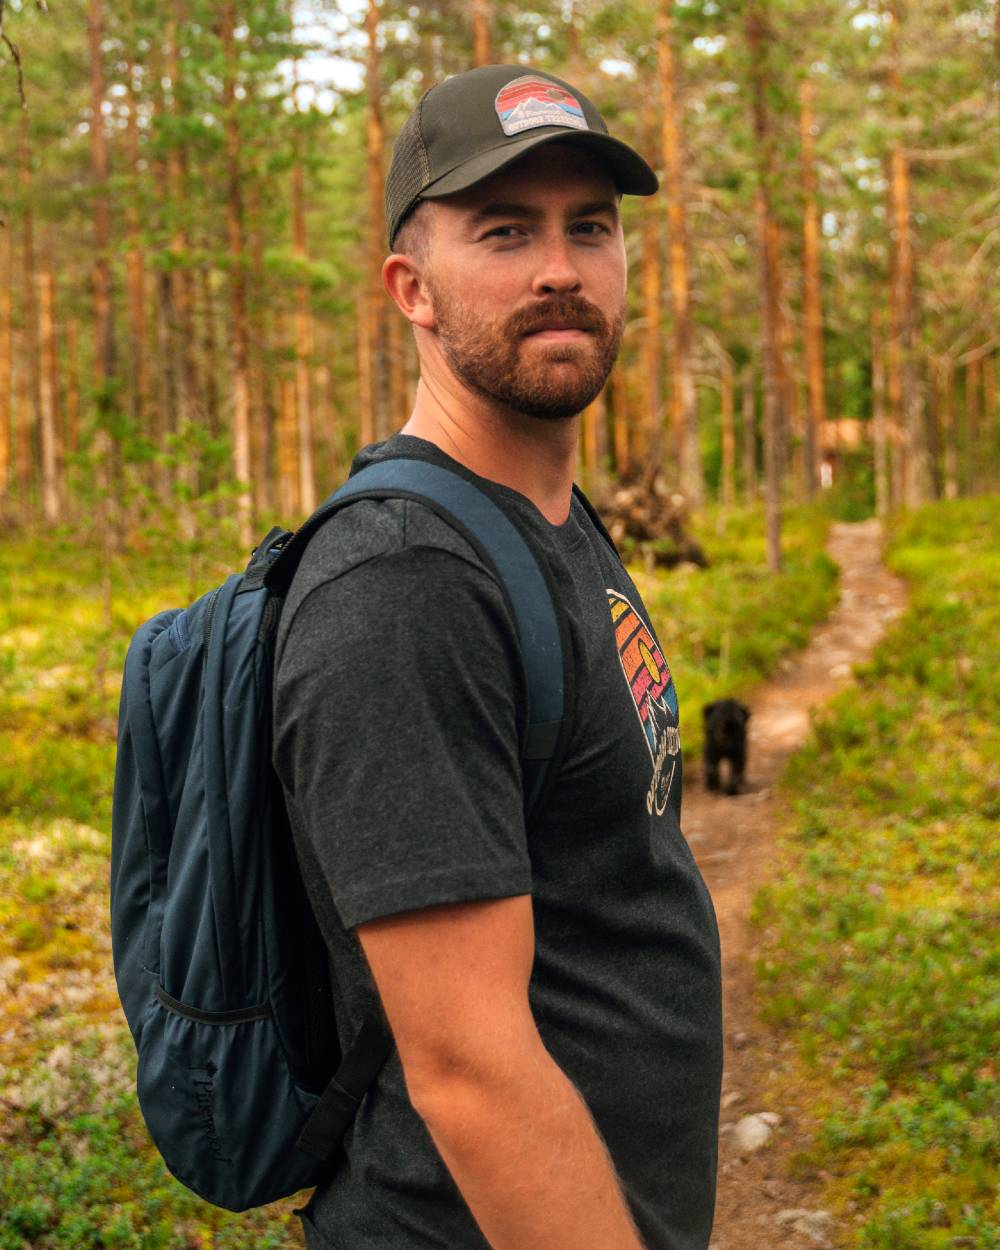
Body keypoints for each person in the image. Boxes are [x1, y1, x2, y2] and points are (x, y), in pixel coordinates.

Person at [272, 63, 723, 1250]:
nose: (561, 267)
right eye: (505, 231)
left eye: (591, 227)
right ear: (411, 288)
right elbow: (469, 1069)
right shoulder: (405, 584)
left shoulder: (546, 520)